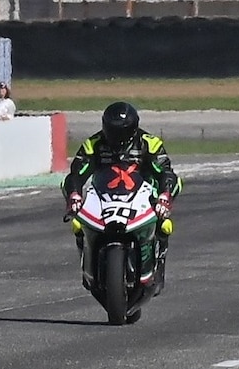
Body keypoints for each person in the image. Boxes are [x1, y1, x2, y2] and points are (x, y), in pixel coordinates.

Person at [63, 102, 179, 279]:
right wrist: (74, 195)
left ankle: (158, 261)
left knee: (164, 223)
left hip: (143, 195)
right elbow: (75, 174)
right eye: (112, 131)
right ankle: (87, 265)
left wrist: (165, 195)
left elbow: (166, 172)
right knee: (78, 224)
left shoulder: (150, 144)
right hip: (103, 195)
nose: (117, 137)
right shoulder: (92, 144)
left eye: (121, 132)